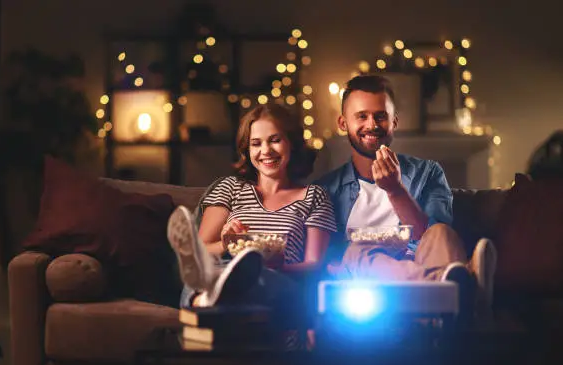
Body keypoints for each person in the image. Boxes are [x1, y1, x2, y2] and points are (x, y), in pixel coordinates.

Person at [314, 75, 497, 321]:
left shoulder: (428, 172)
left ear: (394, 122)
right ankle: (461, 286)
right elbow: (325, 258)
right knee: (355, 253)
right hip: (365, 283)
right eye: (361, 116)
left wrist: (395, 190)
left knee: (441, 232)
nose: (372, 124)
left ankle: (445, 293)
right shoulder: (325, 189)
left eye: (380, 116)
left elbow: (430, 236)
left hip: (419, 257)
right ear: (343, 123)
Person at [168, 103, 337, 310]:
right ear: (247, 151)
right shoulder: (229, 188)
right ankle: (208, 296)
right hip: (222, 269)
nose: (266, 150)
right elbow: (202, 250)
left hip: (277, 278)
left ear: (291, 143)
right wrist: (226, 244)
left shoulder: (314, 197)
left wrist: (279, 265)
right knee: (207, 275)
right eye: (256, 143)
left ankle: (212, 298)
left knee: (261, 279)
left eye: (275, 140)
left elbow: (314, 265)